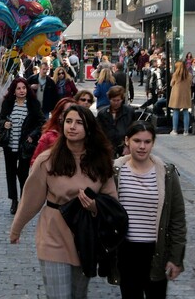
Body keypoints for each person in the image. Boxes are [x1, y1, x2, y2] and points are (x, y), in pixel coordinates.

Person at [10, 105, 116, 299]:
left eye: (78, 123)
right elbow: (31, 199)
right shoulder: (47, 160)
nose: (72, 127)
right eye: (68, 121)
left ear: (89, 128)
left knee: (78, 295)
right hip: (54, 233)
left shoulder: (100, 160)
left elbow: (111, 201)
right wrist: (16, 228)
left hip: (85, 236)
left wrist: (95, 206)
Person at [114, 121, 186, 298]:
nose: (142, 146)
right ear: (127, 141)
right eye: (137, 141)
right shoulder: (115, 171)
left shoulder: (167, 174)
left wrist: (176, 258)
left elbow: (177, 219)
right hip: (126, 251)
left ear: (153, 143)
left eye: (147, 142)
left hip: (156, 251)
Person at [0, 77, 45, 214]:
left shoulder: (33, 104)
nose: (22, 91)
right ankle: (14, 200)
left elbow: (42, 122)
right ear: (14, 91)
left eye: (24, 88)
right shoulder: (8, 103)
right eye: (18, 88)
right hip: (10, 144)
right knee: (10, 173)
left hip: (25, 145)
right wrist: (4, 123)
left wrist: (33, 135)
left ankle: (24, 199)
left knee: (23, 173)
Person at [30, 97, 77, 165]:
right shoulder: (49, 136)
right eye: (67, 112)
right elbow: (35, 162)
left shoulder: (82, 135)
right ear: (59, 115)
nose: (71, 115)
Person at [97, 86, 135, 157]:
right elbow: (99, 132)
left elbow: (133, 130)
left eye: (118, 100)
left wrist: (127, 146)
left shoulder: (129, 112)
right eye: (113, 100)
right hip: (108, 147)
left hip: (124, 146)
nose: (116, 103)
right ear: (109, 99)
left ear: (122, 99)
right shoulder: (102, 113)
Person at [169, 61, 193, 135]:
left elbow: (171, 84)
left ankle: (174, 130)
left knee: (176, 111)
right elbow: (190, 84)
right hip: (186, 95)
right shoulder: (189, 75)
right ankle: (186, 131)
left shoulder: (175, 75)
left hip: (176, 95)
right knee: (186, 112)